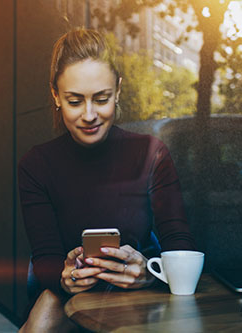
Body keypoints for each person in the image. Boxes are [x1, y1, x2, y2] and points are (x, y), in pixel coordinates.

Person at [18, 28, 196, 332]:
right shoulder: (36, 164)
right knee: (46, 311)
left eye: (101, 99)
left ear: (118, 91)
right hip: (65, 293)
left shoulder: (152, 154)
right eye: (75, 101)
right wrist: (64, 276)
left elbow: (179, 243)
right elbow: (45, 257)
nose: (89, 115)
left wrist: (150, 274)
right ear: (55, 96)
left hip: (136, 290)